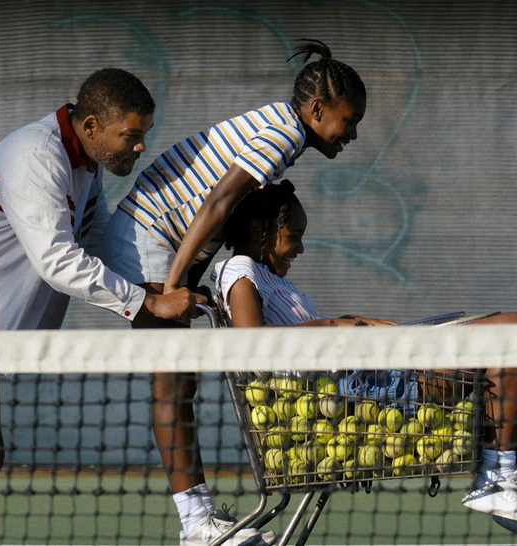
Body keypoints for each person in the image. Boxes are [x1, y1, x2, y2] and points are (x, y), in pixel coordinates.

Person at [0, 68, 205, 544]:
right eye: (131, 135)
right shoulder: (36, 154)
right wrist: (146, 303)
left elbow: (96, 242)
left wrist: (154, 292)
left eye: (143, 135)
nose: (140, 147)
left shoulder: (86, 168)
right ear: (93, 126)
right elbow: (57, 261)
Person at [212, 180, 517, 546]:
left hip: (371, 376)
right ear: (260, 230)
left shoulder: (268, 276)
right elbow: (254, 346)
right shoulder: (239, 270)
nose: (301, 248)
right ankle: (496, 479)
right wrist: (339, 325)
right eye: (293, 236)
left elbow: (306, 333)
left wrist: (357, 320)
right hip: (365, 393)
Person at [101, 40, 366, 546]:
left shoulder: (281, 131)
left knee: (178, 385)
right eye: (348, 121)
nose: (351, 134)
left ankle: (198, 520)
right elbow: (218, 202)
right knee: (173, 384)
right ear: (316, 110)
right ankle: (196, 524)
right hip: (150, 240)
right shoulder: (284, 134)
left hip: (166, 244)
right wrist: (174, 286)